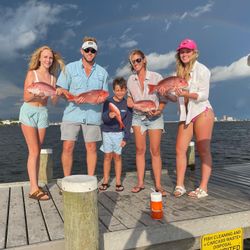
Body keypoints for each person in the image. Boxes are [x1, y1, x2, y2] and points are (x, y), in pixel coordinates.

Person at [162, 38, 214, 198]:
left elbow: (204, 95)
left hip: (201, 111)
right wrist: (166, 92)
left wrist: (186, 94)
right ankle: (180, 185)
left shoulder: (203, 70)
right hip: (185, 114)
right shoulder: (176, 73)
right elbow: (173, 98)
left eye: (187, 51)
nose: (184, 54)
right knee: (179, 149)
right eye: (182, 52)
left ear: (194, 53)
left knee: (203, 149)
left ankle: (203, 188)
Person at [56, 37, 109, 177]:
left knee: (91, 148)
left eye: (93, 50)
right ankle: (66, 179)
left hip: (93, 116)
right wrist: (71, 97)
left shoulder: (103, 72)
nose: (90, 52)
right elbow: (61, 91)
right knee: (67, 147)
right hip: (71, 114)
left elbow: (104, 96)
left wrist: (99, 100)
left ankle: (91, 179)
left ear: (96, 52)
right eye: (87, 49)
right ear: (81, 51)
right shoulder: (69, 68)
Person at [19, 45, 65, 200]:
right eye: (45, 57)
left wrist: (57, 93)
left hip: (43, 114)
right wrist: (36, 95)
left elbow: (53, 102)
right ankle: (33, 189)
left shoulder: (53, 78)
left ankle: (36, 185)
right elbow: (26, 97)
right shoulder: (32, 74)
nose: (48, 60)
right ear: (39, 58)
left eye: (50, 58)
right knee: (33, 151)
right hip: (29, 112)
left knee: (37, 151)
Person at [127, 49, 168, 196]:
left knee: (155, 151)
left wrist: (159, 110)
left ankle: (158, 185)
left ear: (144, 60)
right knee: (139, 150)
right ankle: (140, 183)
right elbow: (129, 98)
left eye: (138, 60)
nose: (136, 63)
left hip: (155, 118)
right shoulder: (130, 80)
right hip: (138, 118)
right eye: (133, 61)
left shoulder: (157, 77)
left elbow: (164, 99)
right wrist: (131, 103)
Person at [99, 77, 132, 192]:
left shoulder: (127, 103)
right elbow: (103, 118)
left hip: (119, 134)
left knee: (117, 157)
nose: (120, 92)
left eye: (122, 90)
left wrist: (126, 138)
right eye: (117, 90)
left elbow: (128, 122)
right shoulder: (107, 102)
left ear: (126, 90)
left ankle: (118, 182)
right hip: (107, 132)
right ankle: (106, 180)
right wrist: (109, 116)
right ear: (113, 90)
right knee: (107, 157)